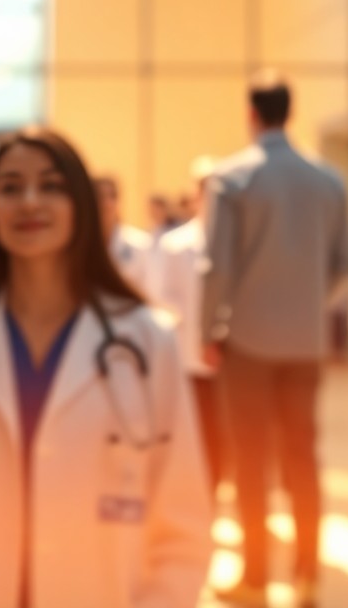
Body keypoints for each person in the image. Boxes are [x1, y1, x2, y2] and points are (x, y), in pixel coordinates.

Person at [0, 127, 213, 608]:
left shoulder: (146, 342)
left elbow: (183, 516)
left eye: (51, 186)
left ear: (81, 206)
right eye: (10, 188)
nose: (30, 202)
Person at [201, 74, 348, 608]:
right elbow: (344, 265)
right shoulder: (329, 180)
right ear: (290, 112)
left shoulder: (232, 178)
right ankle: (307, 575)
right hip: (306, 342)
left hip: (246, 340)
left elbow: (217, 268)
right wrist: (308, 303)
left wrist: (206, 329)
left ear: (251, 113)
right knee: (303, 458)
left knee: (251, 463)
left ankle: (257, 578)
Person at [147, 156, 225, 492]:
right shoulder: (174, 244)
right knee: (195, 430)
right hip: (188, 357)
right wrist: (195, 322)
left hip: (227, 357)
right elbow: (160, 295)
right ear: (194, 196)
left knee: (225, 433)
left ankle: (216, 486)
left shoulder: (235, 243)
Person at [95, 176, 154, 292]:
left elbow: (151, 290)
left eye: (112, 196)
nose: (106, 203)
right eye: (100, 196)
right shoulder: (80, 246)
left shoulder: (141, 244)